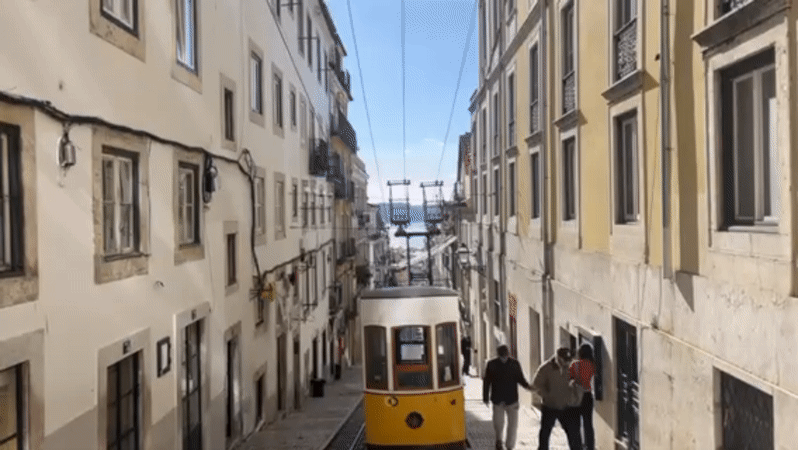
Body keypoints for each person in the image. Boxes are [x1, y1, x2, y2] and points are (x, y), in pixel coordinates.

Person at [531, 347, 583, 450]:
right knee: (545, 433)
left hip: (569, 406)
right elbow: (536, 385)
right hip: (550, 406)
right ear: (558, 358)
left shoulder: (574, 367)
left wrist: (577, 399)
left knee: (574, 435)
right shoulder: (546, 368)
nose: (567, 362)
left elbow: (580, 384)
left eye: (569, 360)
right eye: (565, 360)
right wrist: (546, 395)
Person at [482, 345, 531, 450]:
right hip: (498, 399)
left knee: (513, 426)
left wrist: (528, 387)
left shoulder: (515, 364)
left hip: (512, 400)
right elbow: (487, 382)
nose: (504, 358)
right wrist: (485, 398)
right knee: (498, 423)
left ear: (508, 354)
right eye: (502, 356)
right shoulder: (491, 365)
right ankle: (499, 441)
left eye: (505, 355)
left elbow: (520, 378)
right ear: (498, 355)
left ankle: (509, 446)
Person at [569, 343, 596, 450]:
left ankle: (578, 446)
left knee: (576, 424)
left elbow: (568, 378)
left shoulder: (574, 365)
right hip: (588, 395)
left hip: (576, 396)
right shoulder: (592, 364)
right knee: (588, 423)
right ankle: (590, 446)